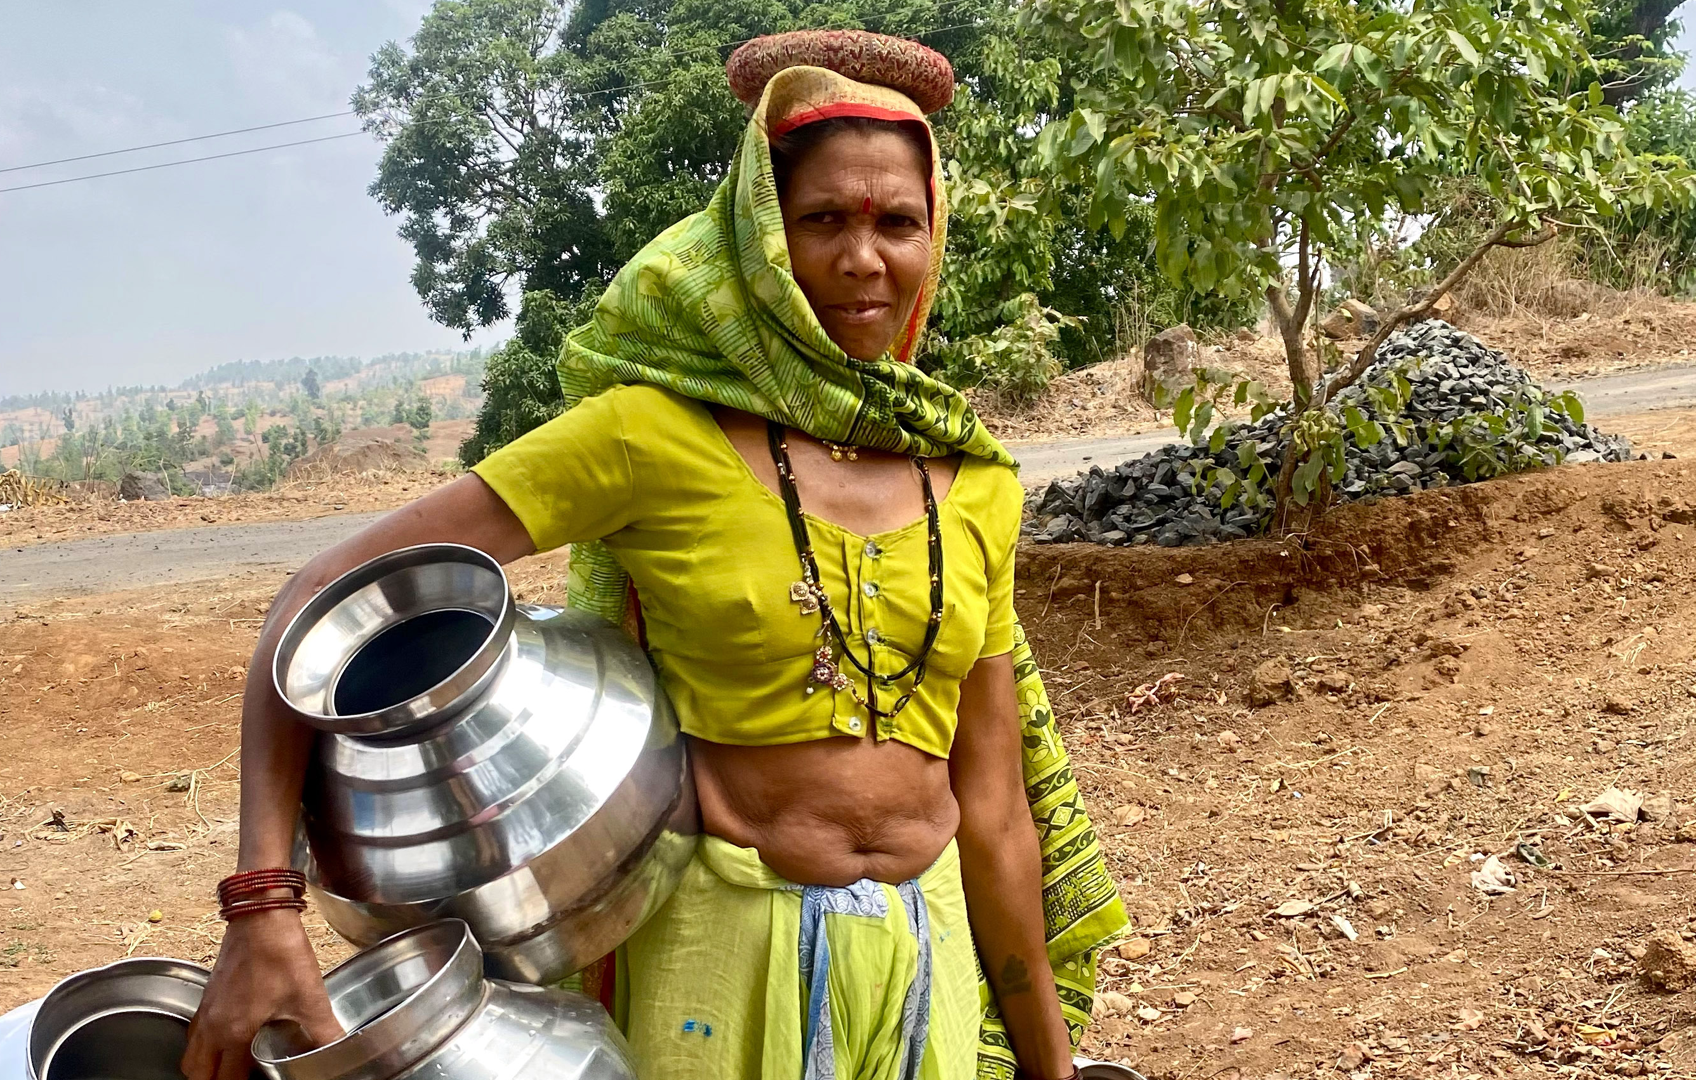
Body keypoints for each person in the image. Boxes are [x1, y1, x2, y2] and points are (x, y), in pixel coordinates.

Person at [182, 30, 1124, 1080]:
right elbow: (320, 597)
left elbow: (992, 810)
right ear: (760, 241)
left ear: (932, 237)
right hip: (720, 969)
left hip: (926, 964)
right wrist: (262, 908)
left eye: (898, 222)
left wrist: (1052, 1068)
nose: (865, 259)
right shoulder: (649, 436)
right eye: (823, 221)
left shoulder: (973, 479)